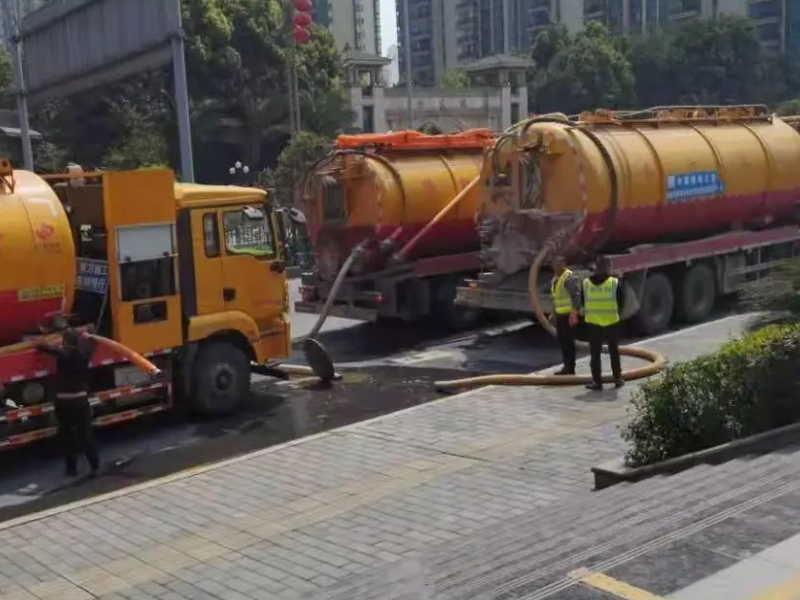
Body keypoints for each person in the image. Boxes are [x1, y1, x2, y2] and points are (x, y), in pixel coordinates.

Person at [37, 328, 100, 477]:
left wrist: (43, 341)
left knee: (67, 436)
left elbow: (42, 347)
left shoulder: (62, 354)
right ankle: (95, 466)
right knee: (85, 436)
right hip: (80, 401)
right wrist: (90, 334)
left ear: (64, 342)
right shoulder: (84, 355)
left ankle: (71, 469)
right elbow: (93, 344)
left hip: (63, 403)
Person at [582, 256, 625, 391]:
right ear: (608, 268)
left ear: (596, 267)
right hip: (611, 321)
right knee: (614, 351)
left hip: (593, 322)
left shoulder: (586, 283)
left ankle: (597, 382)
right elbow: (621, 303)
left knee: (595, 354)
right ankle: (617, 379)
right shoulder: (614, 283)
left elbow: (583, 303)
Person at [550, 256, 581, 375]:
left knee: (568, 342)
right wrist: (553, 313)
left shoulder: (568, 277)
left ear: (564, 264)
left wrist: (574, 313)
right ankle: (566, 366)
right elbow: (555, 298)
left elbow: (576, 296)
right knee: (563, 341)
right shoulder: (555, 279)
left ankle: (571, 368)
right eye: (554, 264)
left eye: (558, 264)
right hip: (560, 316)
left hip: (568, 315)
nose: (556, 267)